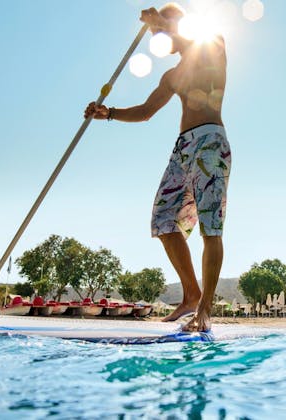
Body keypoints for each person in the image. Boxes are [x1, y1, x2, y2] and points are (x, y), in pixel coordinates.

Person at [84, 3, 230, 332]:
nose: (160, 38)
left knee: (211, 228)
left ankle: (204, 310)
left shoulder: (213, 46)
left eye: (162, 32)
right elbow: (147, 110)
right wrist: (108, 113)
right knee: (164, 221)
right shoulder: (172, 75)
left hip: (210, 143)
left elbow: (196, 35)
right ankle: (191, 294)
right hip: (183, 148)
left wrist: (162, 21)